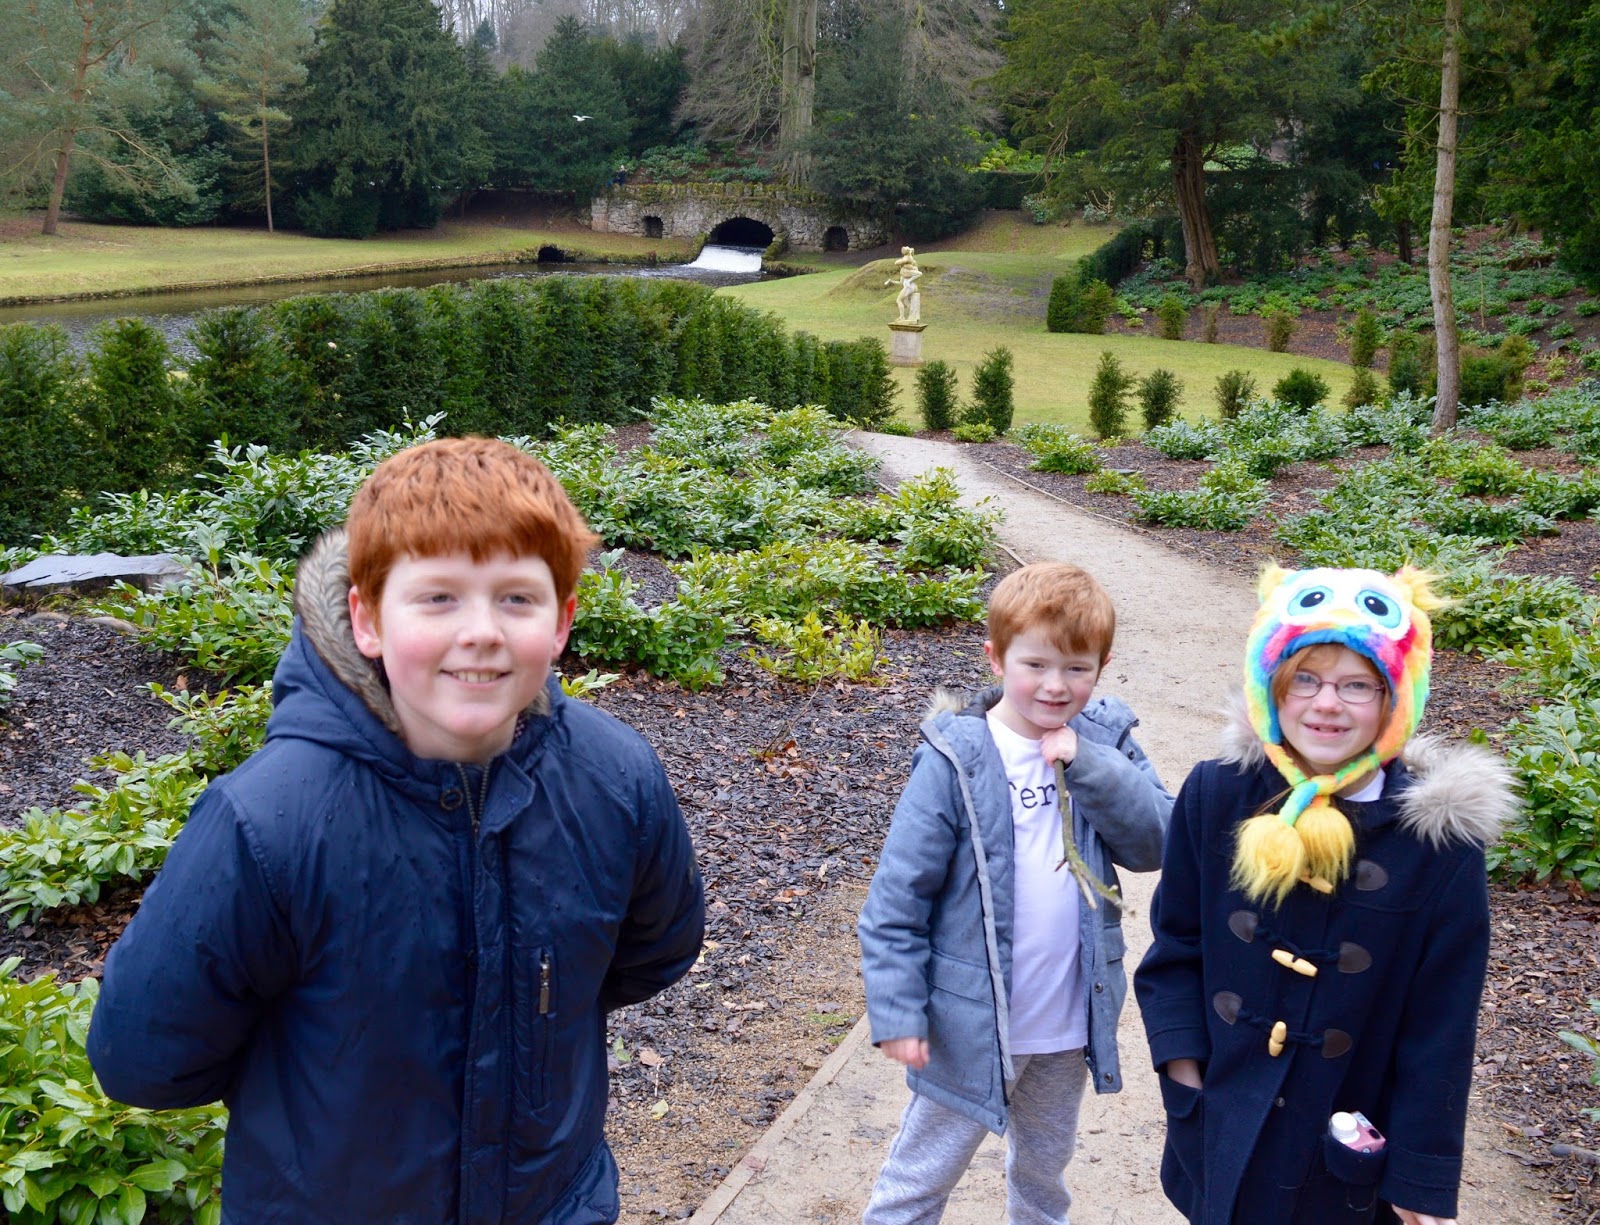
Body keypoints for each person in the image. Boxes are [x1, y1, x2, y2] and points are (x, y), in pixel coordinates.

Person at [88, 437, 706, 1224]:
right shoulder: (270, 821)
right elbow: (144, 1056)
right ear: (367, 617)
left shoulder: (614, 777)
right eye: (438, 596)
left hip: (555, 1202)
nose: (480, 630)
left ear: (562, 622)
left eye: (517, 597)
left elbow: (657, 946)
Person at [1135, 565, 1519, 1225]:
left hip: (1345, 1160)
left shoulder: (1440, 847)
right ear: (1272, 686)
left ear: (1394, 698)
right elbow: (1177, 945)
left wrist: (1419, 1178)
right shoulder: (1217, 793)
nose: (1326, 704)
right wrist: (1184, 1073)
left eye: (1356, 685)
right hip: (1221, 1130)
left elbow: (1441, 1027)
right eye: (1304, 678)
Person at [857, 562, 1173, 1224]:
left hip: (1066, 1022)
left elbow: (1158, 842)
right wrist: (899, 1010)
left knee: (1043, 1174)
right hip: (970, 1023)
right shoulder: (957, 757)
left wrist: (1087, 763)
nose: (1056, 686)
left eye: (1077, 669)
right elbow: (896, 902)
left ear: (1102, 665)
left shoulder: (1105, 740)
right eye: (1035, 664)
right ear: (996, 658)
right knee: (920, 1176)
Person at [887, 246, 923, 323]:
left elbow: (897, 262)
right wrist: (891, 281)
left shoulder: (907, 267)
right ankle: (913, 315)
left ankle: (902, 317)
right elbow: (900, 283)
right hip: (912, 287)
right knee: (906, 302)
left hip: (909, 287)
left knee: (899, 300)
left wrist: (909, 280)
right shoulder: (904, 272)